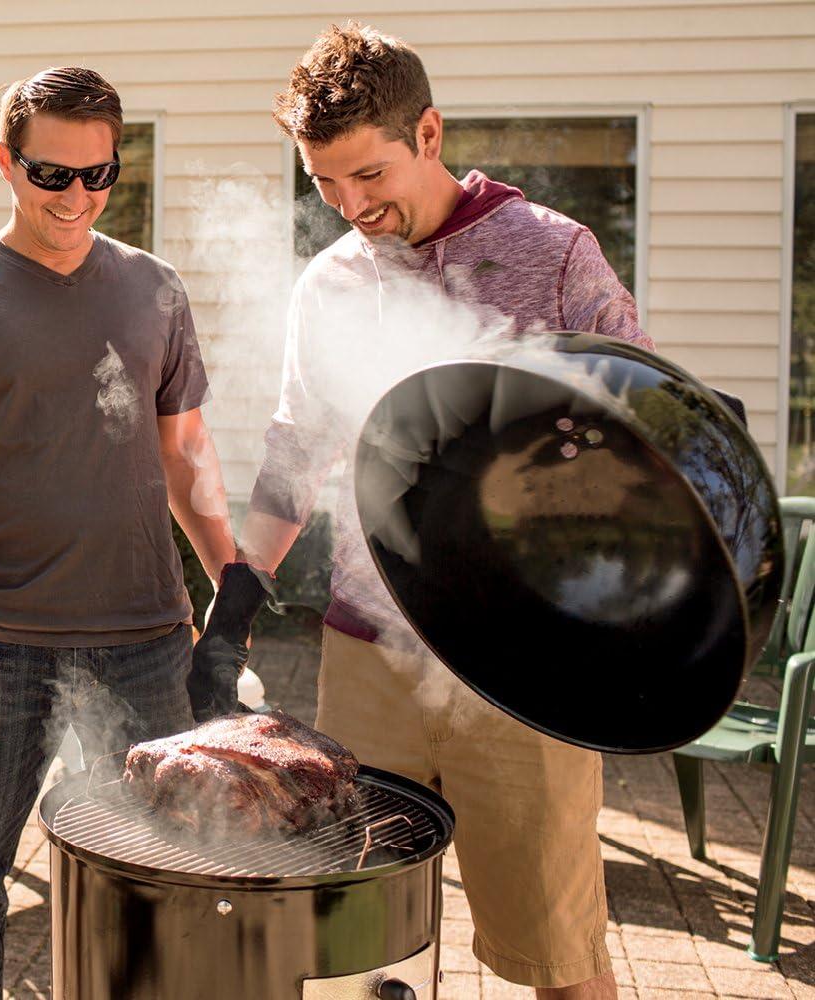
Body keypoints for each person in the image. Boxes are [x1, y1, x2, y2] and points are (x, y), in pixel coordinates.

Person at [188, 24, 655, 999]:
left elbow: (646, 426)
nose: (351, 207)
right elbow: (295, 454)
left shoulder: (554, 254)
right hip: (368, 664)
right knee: (350, 952)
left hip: (527, 670)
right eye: (324, 184)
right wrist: (234, 602)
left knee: (560, 959)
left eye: (368, 174)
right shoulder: (331, 286)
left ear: (429, 132)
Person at [0, 67, 235, 999]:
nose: (78, 197)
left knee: (170, 884)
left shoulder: (154, 291)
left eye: (99, 174)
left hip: (147, 643)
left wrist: (231, 598)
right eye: (52, 176)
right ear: (8, 162)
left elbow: (187, 455)